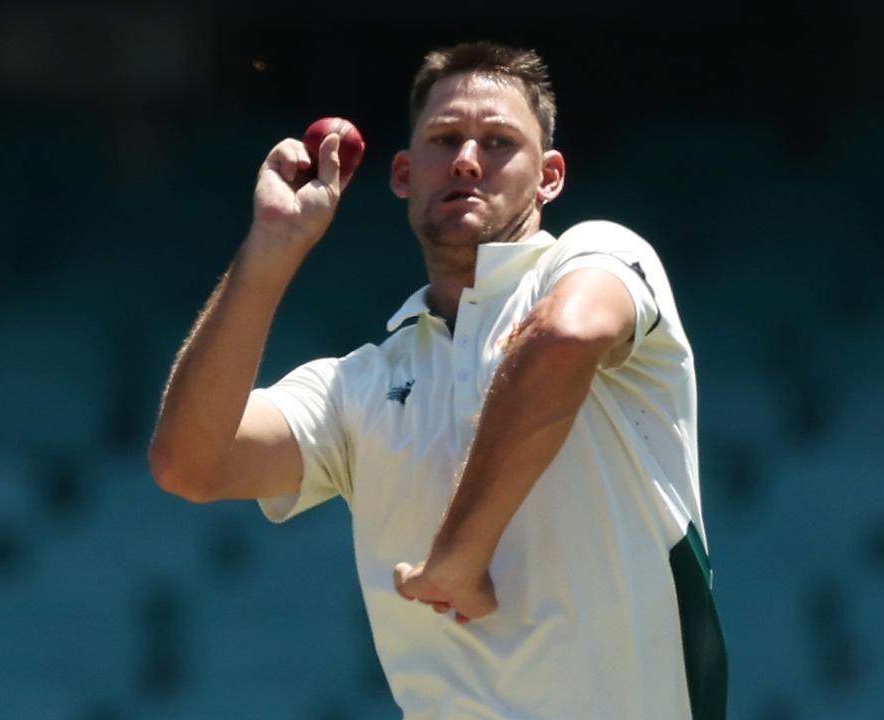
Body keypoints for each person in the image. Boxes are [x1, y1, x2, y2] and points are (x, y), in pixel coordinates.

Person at [149, 41, 727, 719]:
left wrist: (458, 556)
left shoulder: (602, 255)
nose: (465, 158)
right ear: (402, 174)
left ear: (550, 177)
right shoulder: (359, 386)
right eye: (444, 139)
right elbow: (191, 463)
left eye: (499, 142)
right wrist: (272, 248)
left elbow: (566, 338)